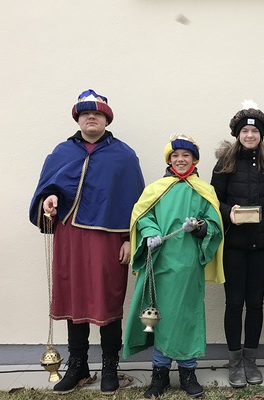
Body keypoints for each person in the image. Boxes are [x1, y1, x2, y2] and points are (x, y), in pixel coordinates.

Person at [29, 89, 145, 395]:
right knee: (74, 296)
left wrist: (129, 239)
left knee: (107, 298)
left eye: (97, 114)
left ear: (106, 119)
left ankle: (110, 366)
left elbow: (136, 202)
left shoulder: (124, 156)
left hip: (109, 238)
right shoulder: (62, 153)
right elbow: (47, 189)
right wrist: (49, 199)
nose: (91, 117)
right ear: (78, 119)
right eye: (85, 114)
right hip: (70, 236)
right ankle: (78, 364)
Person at [123, 134, 225, 399]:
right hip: (160, 264)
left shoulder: (204, 190)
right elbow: (142, 216)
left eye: (186, 156)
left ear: (194, 160)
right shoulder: (155, 189)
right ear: (169, 160)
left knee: (187, 316)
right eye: (176, 156)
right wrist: (150, 233)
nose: (180, 160)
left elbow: (214, 224)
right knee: (161, 317)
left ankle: (188, 373)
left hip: (189, 264)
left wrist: (200, 226)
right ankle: (160, 375)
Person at [211, 100, 264, 388]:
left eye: (254, 132)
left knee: (255, 304)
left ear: (261, 135)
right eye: (245, 131)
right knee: (234, 304)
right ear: (238, 134)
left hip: (262, 244)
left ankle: (251, 360)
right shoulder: (224, 163)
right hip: (233, 244)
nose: (250, 135)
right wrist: (228, 212)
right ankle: (234, 362)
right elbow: (213, 201)